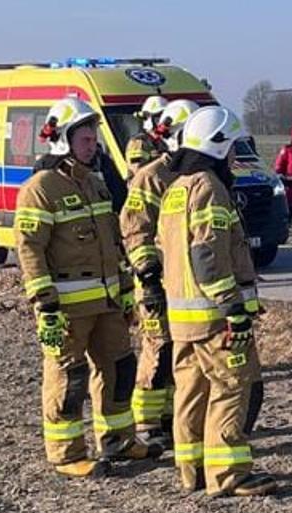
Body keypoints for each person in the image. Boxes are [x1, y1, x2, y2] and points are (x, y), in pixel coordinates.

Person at [16, 98, 149, 477]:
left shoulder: (95, 184)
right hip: (67, 310)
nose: (93, 146)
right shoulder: (41, 189)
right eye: (86, 140)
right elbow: (30, 249)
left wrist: (125, 292)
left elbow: (113, 243)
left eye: (94, 139)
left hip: (107, 306)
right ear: (63, 140)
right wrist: (45, 305)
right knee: (69, 380)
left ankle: (118, 440)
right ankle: (67, 453)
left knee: (120, 370)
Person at [159, 106, 281, 497]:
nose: (233, 158)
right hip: (215, 317)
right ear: (218, 148)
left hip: (183, 318)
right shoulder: (210, 188)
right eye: (231, 149)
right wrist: (234, 309)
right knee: (231, 387)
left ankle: (191, 470)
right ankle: (228, 474)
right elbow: (207, 256)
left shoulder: (176, 189)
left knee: (190, 393)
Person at [120, 99, 203, 451]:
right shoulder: (151, 177)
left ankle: (172, 416)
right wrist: (149, 276)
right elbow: (135, 229)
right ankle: (147, 422)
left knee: (181, 353)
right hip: (155, 284)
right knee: (158, 349)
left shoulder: (193, 177)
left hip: (183, 282)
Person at [125, 95, 171, 169]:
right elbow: (137, 170)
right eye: (158, 116)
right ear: (148, 118)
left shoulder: (166, 140)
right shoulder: (138, 142)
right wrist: (160, 160)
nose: (162, 121)